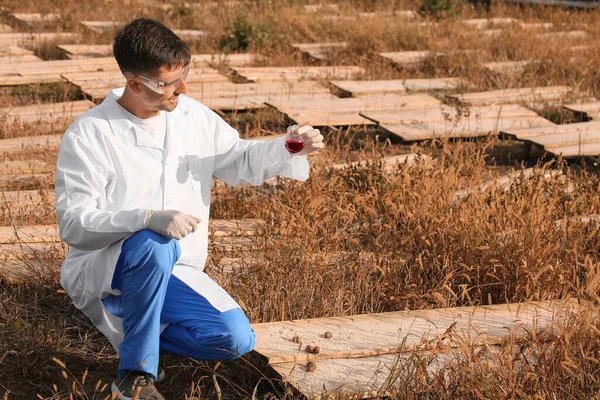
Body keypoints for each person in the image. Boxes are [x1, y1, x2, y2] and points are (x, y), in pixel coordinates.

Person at [55, 18, 324, 400]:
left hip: (178, 268)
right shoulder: (91, 134)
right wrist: (145, 219)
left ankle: (136, 323)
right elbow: (74, 223)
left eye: (184, 76)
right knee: (152, 243)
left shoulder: (191, 115)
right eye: (168, 83)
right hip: (107, 265)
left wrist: (287, 147)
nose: (181, 89)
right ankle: (135, 376)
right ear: (135, 84)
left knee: (233, 338)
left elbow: (238, 158)